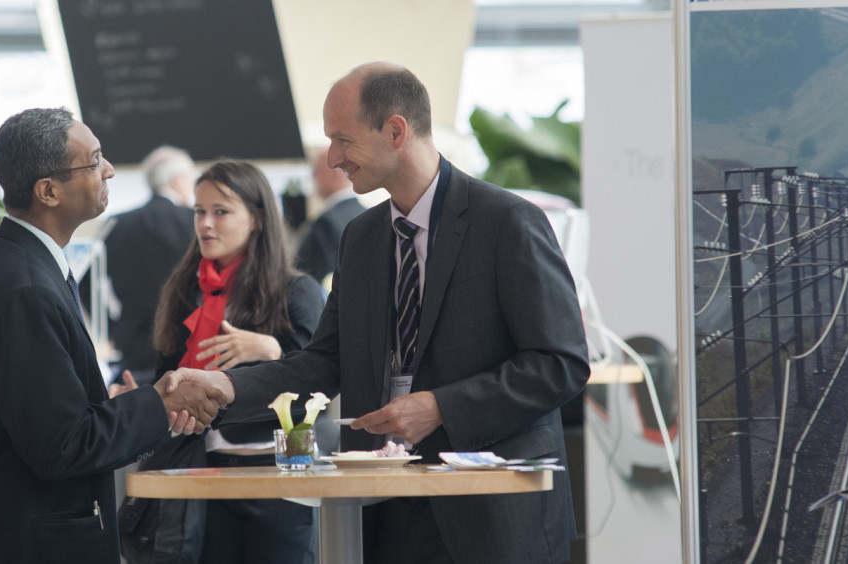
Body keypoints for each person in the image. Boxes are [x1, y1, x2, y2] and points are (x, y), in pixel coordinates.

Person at [166, 63, 590, 563]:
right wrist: (230, 386)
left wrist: (439, 407)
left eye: (342, 139)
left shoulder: (508, 222)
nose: (332, 157)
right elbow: (322, 361)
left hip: (491, 513)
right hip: (381, 508)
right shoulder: (361, 238)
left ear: (395, 131)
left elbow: (560, 362)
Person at [0, 108, 226, 563]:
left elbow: (25, 413)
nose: (109, 171)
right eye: (94, 160)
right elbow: (60, 445)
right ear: (48, 191)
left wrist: (117, 406)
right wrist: (157, 405)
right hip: (27, 542)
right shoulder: (25, 286)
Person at [142, 161, 324, 563]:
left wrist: (271, 349)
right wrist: (142, 393)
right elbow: (167, 373)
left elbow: (320, 383)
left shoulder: (297, 291)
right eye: (198, 211)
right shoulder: (185, 290)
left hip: (281, 477)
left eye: (221, 211)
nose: (206, 224)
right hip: (204, 472)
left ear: (258, 218)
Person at [102, 145, 197, 383]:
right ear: (178, 179)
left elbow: (84, 279)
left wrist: (111, 326)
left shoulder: (117, 224)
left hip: (132, 339)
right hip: (187, 338)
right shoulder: (196, 223)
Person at [294, 149, 364, 285]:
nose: (313, 178)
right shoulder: (369, 214)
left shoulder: (326, 223)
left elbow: (307, 277)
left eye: (316, 171)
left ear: (337, 173)